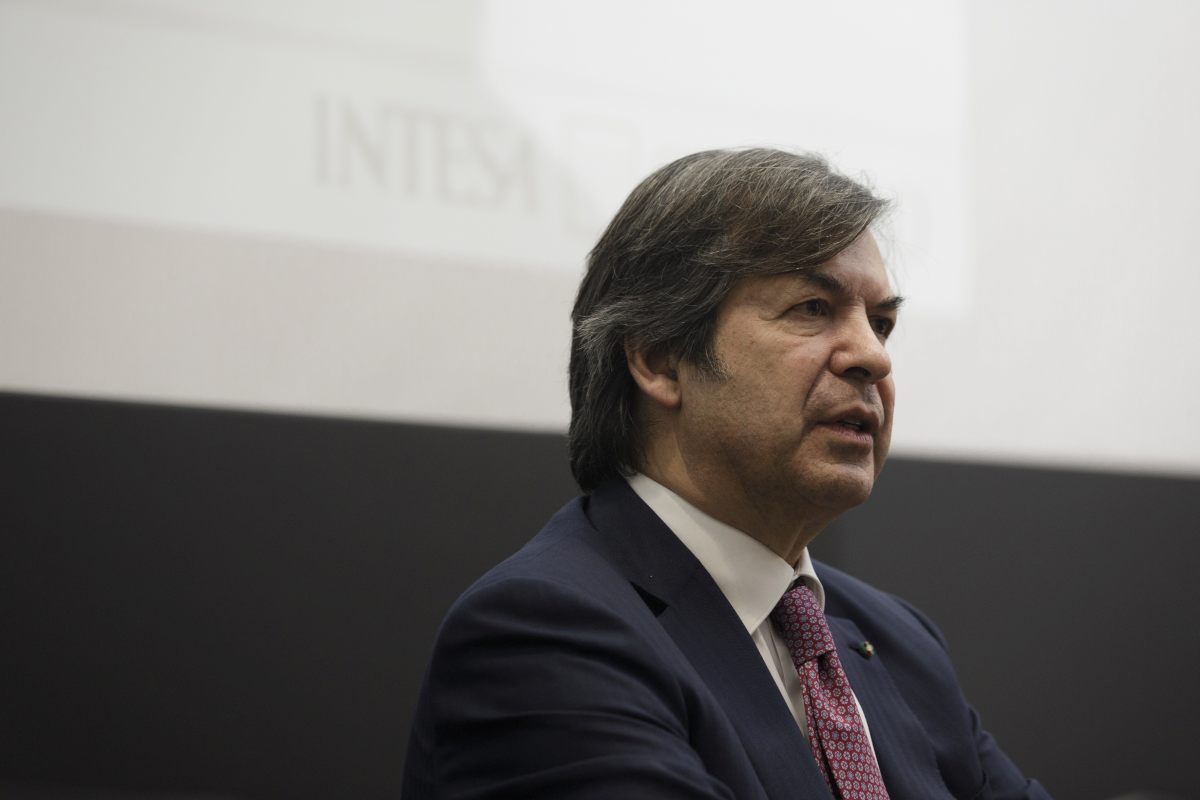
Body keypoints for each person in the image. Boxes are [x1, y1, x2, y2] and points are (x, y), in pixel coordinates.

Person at [401, 148, 1053, 799]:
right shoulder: (545, 635)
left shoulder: (900, 643)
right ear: (661, 359)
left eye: (880, 323)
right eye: (812, 308)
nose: (873, 357)